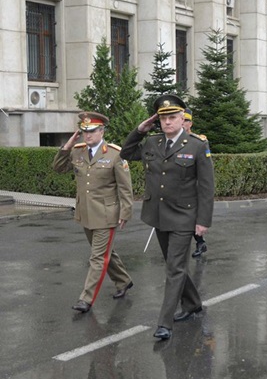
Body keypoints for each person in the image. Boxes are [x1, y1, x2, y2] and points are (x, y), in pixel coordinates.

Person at [120, 94, 215, 341]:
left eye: (172, 117)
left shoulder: (196, 145)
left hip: (184, 216)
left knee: (174, 268)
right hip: (158, 216)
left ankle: (165, 324)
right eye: (163, 118)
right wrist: (140, 130)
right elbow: (126, 153)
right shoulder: (152, 143)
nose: (167, 122)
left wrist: (202, 221)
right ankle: (193, 303)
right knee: (175, 265)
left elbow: (206, 187)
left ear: (183, 118)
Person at [53, 112, 134, 313]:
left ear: (102, 131)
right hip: (86, 213)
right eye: (84, 131)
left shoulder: (115, 154)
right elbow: (58, 168)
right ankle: (123, 280)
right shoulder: (78, 151)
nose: (87, 136)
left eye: (91, 131)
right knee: (105, 252)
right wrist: (67, 146)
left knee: (97, 257)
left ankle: (86, 299)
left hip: (107, 215)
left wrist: (125, 212)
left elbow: (125, 188)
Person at [183, 108, 208, 258]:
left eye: (186, 121)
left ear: (190, 123)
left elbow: (204, 168)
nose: (183, 123)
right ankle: (200, 243)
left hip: (194, 187)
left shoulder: (199, 141)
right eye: (182, 120)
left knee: (191, 218)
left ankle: (199, 242)